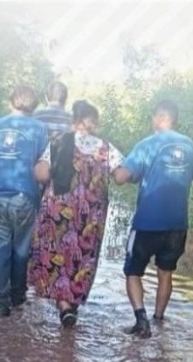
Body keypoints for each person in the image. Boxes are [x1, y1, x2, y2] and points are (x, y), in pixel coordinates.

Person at [29, 100, 124, 327]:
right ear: (94, 122)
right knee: (81, 256)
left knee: (55, 252)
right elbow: (120, 176)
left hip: (58, 207)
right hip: (90, 214)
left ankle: (63, 305)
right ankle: (70, 304)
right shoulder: (106, 147)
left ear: (74, 121)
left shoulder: (59, 142)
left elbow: (41, 174)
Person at [113, 100, 193, 338]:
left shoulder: (147, 144)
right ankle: (159, 319)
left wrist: (116, 169)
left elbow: (121, 176)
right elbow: (189, 176)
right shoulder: (190, 146)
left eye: (154, 118)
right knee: (166, 273)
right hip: (178, 223)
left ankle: (141, 320)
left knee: (133, 271)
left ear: (159, 118)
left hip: (147, 222)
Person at [0, 85, 50, 317]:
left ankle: (1, 303)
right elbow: (43, 167)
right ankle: (18, 298)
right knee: (21, 249)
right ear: (34, 106)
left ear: (11, 102)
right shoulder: (40, 129)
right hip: (25, 197)